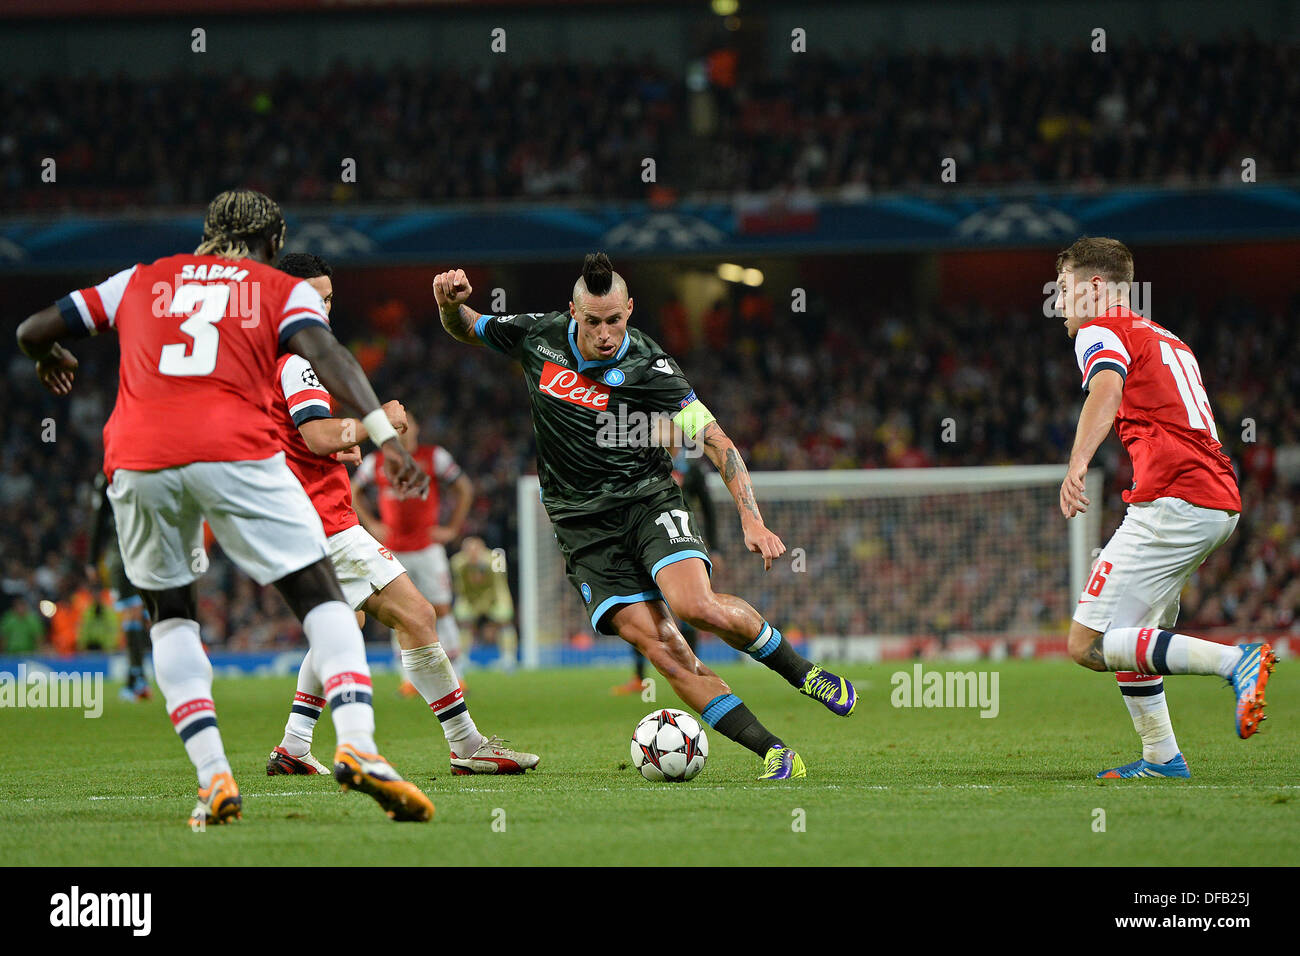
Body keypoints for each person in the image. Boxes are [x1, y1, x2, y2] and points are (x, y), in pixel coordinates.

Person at [17, 189, 435, 824]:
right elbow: (330, 356)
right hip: (231, 450)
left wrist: (51, 354)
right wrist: (381, 435)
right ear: (273, 245)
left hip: (138, 457)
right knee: (323, 593)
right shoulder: (274, 288)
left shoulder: (139, 281)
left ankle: (214, 780)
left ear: (208, 232)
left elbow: (32, 329)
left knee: (171, 614)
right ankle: (358, 745)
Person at [433, 253, 856, 780]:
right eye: (592, 322)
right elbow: (467, 326)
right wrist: (449, 306)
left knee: (695, 607)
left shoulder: (653, 367)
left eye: (615, 319)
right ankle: (775, 753)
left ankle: (805, 675)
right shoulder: (536, 336)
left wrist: (751, 518)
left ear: (629, 309)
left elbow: (715, 441)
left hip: (646, 500)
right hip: (581, 528)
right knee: (664, 647)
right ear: (573, 312)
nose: (606, 333)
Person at [264, 253, 536, 776]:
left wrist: (338, 446)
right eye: (312, 298)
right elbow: (316, 433)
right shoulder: (297, 361)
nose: (323, 309)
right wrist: (374, 421)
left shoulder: (268, 360)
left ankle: (294, 747)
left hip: (297, 521)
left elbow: (295, 439)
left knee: (343, 624)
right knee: (418, 615)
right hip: (325, 523)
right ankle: (466, 744)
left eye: (328, 299)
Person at [1054, 236, 1275, 778]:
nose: (1059, 303)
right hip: (1213, 498)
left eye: (1063, 289)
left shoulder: (1100, 329)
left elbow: (1105, 390)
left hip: (1174, 499)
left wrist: (1077, 462)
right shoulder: (1167, 338)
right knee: (1132, 635)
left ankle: (1236, 661)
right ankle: (1162, 758)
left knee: (1087, 644)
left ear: (1096, 288)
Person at [353, 412, 473, 690]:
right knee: (399, 613)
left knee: (441, 609)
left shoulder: (434, 456)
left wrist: (452, 528)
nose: (402, 432)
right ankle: (408, 678)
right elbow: (353, 489)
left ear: (417, 428)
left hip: (428, 548)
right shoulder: (377, 462)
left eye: (406, 426)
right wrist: (372, 524)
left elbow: (464, 488)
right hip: (392, 550)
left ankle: (457, 673)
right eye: (396, 428)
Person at [88, 473, 151, 700]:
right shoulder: (136, 471)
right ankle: (137, 678)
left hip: (125, 553)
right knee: (135, 613)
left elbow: (97, 520)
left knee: (132, 614)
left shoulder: (108, 477)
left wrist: (92, 560)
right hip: (139, 552)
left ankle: (137, 678)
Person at [449, 536, 517, 660]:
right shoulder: (457, 562)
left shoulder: (496, 559)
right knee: (464, 623)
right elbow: (459, 586)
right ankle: (462, 658)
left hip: (494, 596)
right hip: (470, 597)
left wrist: (482, 565)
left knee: (504, 622)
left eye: (476, 550)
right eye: (468, 550)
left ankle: (508, 658)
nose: (472, 553)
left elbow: (499, 582)